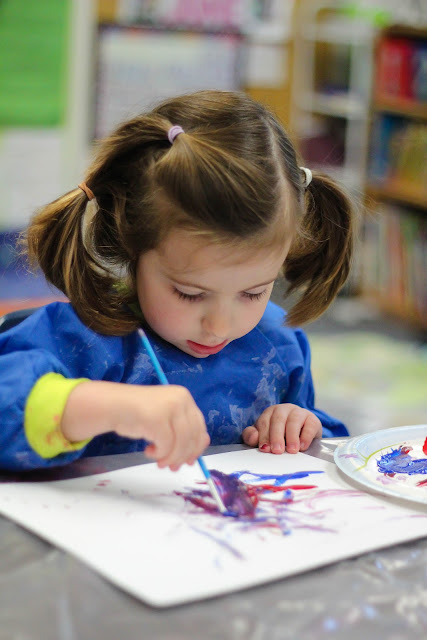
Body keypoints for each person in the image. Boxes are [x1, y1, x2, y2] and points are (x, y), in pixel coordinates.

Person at [0, 90, 353, 472]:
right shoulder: (76, 339)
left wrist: (302, 427)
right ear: (133, 244)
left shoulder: (279, 347)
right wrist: (103, 407)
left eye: (253, 292)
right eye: (190, 294)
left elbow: (328, 451)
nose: (219, 325)